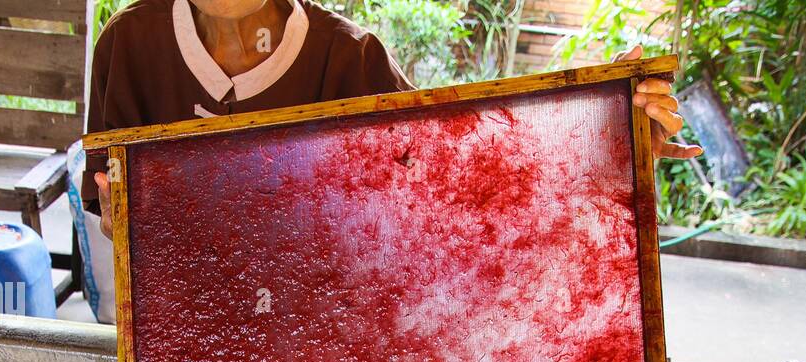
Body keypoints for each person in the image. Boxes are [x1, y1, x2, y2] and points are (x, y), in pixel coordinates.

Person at [85, 0, 701, 239]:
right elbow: (115, 223)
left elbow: (466, 185)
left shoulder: (353, 60)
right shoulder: (127, 49)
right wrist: (124, 215)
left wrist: (605, 134)